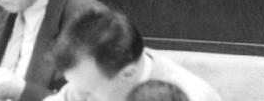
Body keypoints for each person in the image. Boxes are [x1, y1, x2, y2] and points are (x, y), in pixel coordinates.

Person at [48, 8, 221, 101]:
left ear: (128, 74)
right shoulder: (87, 81)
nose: (79, 98)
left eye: (88, 93)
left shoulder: (189, 96)